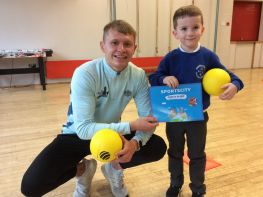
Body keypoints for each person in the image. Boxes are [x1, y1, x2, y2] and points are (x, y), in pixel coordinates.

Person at [21, 20, 167, 197]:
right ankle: (82, 170)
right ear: (103, 46)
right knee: (31, 187)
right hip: (76, 135)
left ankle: (114, 168)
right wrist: (132, 126)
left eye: (127, 44)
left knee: (157, 147)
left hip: (113, 136)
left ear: (134, 48)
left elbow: (148, 121)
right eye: (114, 43)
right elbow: (83, 129)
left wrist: (134, 144)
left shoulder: (138, 76)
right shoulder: (86, 73)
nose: (121, 49)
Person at [149, 5, 244, 197]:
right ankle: (175, 184)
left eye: (195, 27)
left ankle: (198, 189)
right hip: (174, 117)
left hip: (198, 117)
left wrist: (235, 85)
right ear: (175, 33)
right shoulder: (171, 58)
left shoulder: (208, 56)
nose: (190, 33)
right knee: (175, 152)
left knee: (197, 155)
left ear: (203, 29)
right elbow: (154, 77)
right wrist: (163, 79)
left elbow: (234, 77)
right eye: (184, 29)